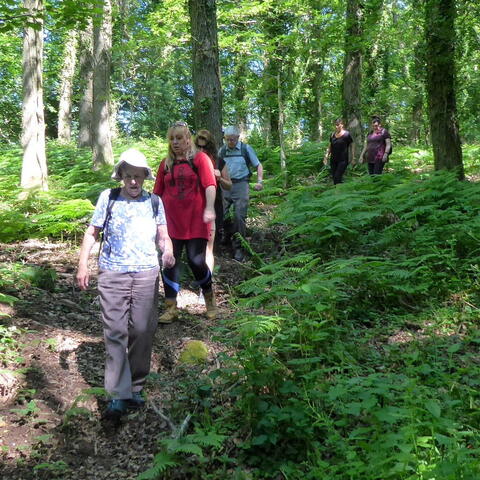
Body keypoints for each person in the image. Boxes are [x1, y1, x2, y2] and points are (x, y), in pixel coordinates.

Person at [76, 148, 175, 420]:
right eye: (128, 176)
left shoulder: (154, 202)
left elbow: (163, 233)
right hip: (112, 274)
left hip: (145, 274)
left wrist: (167, 250)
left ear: (145, 177)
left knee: (142, 330)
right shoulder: (108, 198)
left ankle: (136, 386)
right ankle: (119, 395)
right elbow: (92, 232)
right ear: (120, 176)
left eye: (138, 177)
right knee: (116, 332)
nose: (133, 182)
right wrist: (83, 264)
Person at [153, 121, 218, 323]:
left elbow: (210, 184)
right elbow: (157, 193)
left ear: (188, 139)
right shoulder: (165, 164)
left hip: (195, 220)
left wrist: (209, 208)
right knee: (169, 261)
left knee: (196, 260)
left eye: (179, 138)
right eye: (172, 138)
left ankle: (209, 298)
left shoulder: (200, 159)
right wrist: (153, 220)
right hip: (170, 222)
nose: (175, 142)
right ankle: (171, 308)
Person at [218, 125, 263, 262]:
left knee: (239, 216)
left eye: (232, 139)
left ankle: (239, 247)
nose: (230, 142)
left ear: (238, 137)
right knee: (223, 213)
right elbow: (217, 166)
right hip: (225, 185)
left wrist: (259, 181)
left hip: (241, 185)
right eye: (227, 139)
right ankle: (227, 235)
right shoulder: (222, 150)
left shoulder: (245, 149)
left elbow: (258, 165)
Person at [194, 129, 232, 273]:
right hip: (195, 204)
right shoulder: (191, 161)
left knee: (211, 241)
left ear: (210, 146)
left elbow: (229, 184)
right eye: (199, 146)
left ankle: (208, 273)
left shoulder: (219, 161)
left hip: (214, 204)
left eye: (205, 147)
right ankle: (199, 272)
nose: (202, 150)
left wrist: (219, 178)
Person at [323, 118, 354, 184]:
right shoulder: (332, 135)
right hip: (333, 160)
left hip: (343, 160)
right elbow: (329, 147)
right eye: (335, 125)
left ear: (342, 125)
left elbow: (352, 145)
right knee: (335, 178)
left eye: (337, 125)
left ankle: (338, 191)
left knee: (337, 177)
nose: (336, 127)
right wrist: (326, 157)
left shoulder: (347, 134)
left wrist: (353, 157)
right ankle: (338, 192)